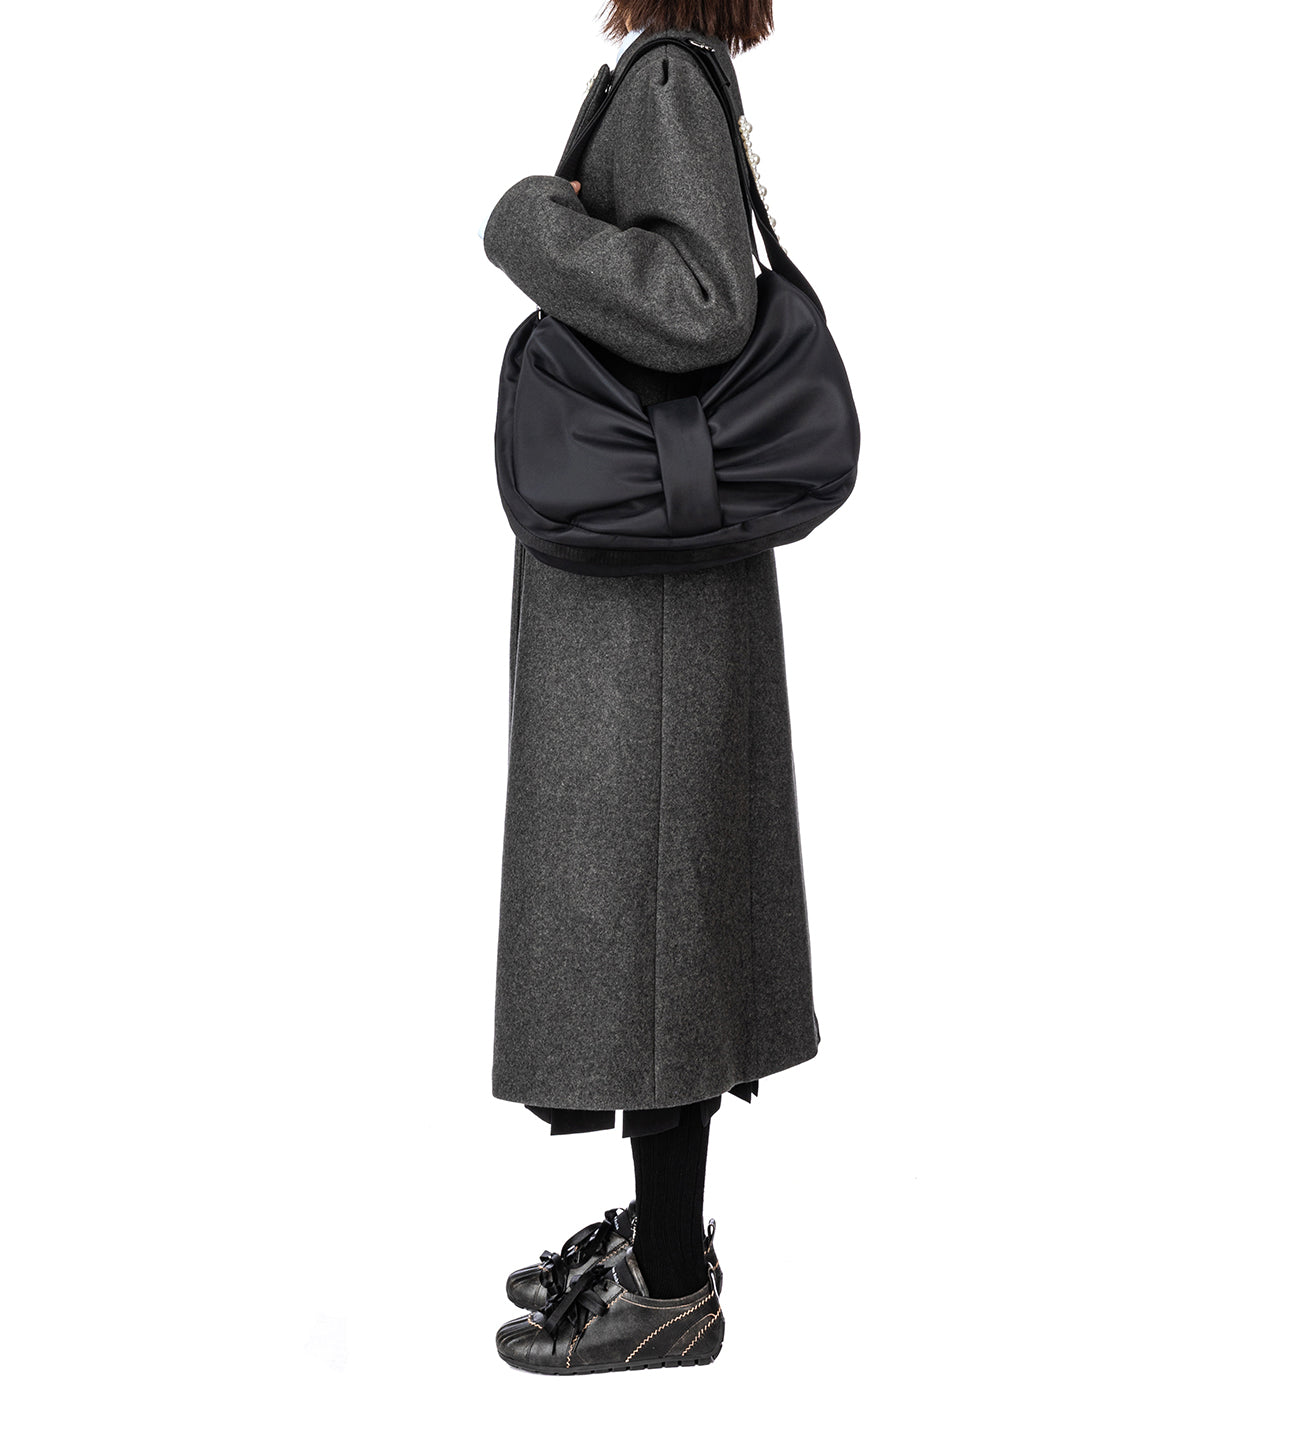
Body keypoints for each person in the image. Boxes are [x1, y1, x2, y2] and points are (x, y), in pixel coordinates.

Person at [480, 1, 818, 1373]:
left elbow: (700, 304)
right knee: (657, 923)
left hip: (649, 607)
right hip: (652, 583)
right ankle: (660, 1242)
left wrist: (532, 222)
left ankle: (670, 1285)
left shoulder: (668, 80)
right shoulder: (679, 72)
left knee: (654, 928)